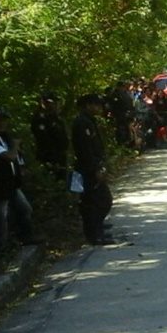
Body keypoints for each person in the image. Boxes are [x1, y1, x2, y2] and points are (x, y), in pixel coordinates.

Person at [0, 107, 39, 254]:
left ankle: (26, 237)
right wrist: (16, 145)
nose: (1, 123)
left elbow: (16, 158)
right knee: (0, 218)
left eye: (3, 120)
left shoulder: (5, 138)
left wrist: (21, 167)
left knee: (25, 209)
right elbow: (9, 156)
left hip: (10, 185)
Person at [72, 94, 115, 245]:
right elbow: (85, 150)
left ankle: (97, 231)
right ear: (87, 105)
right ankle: (93, 235)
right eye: (95, 105)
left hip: (95, 165)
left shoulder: (90, 121)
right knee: (95, 202)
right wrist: (95, 169)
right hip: (88, 169)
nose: (98, 108)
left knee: (101, 201)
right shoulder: (81, 123)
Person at [30, 91, 68, 179]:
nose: (54, 105)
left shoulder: (57, 119)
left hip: (61, 157)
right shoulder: (40, 119)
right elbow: (43, 140)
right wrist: (52, 159)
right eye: (51, 103)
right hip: (48, 159)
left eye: (55, 102)